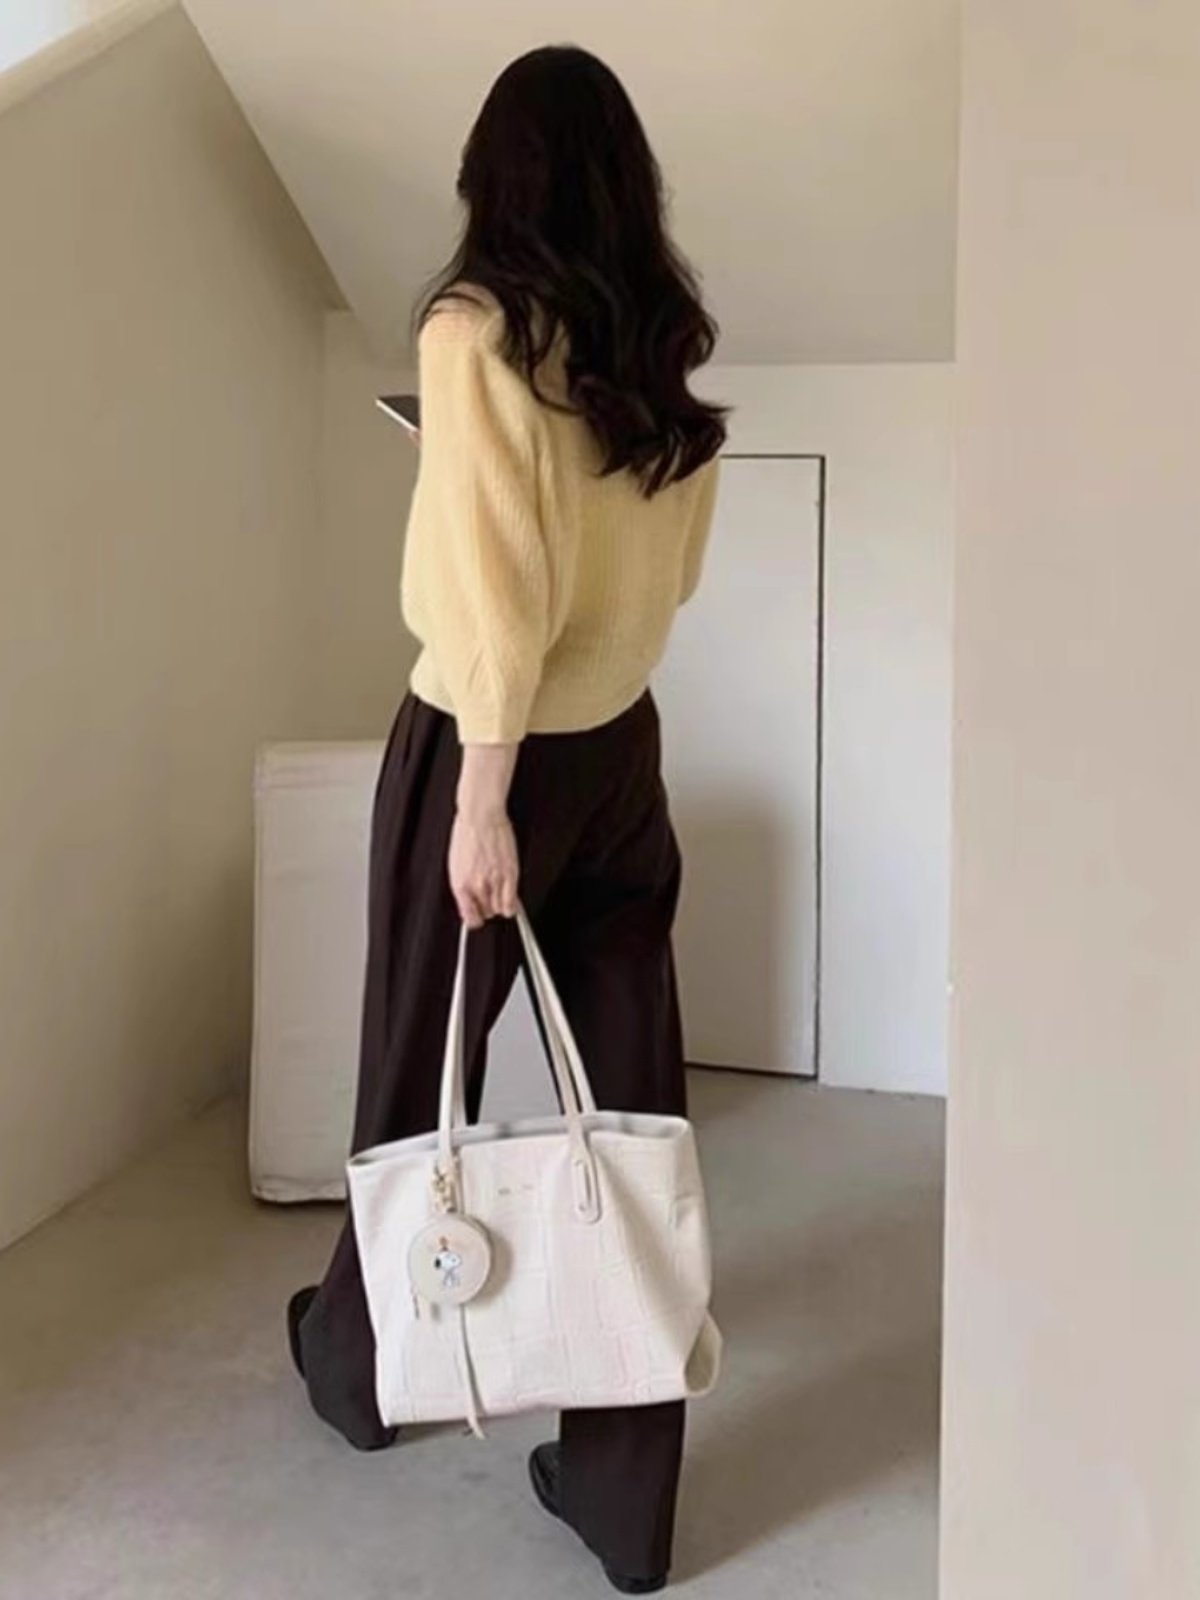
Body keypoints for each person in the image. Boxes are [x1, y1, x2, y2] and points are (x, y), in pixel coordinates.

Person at [286, 43, 725, 1595]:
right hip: (621, 749)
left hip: (493, 750)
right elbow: (664, 574)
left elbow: (492, 604)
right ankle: (624, 1495)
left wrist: (480, 801)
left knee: (418, 1066)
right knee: (634, 1113)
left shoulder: (474, 333)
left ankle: (361, 1368)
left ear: (497, 175)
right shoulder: (654, 347)